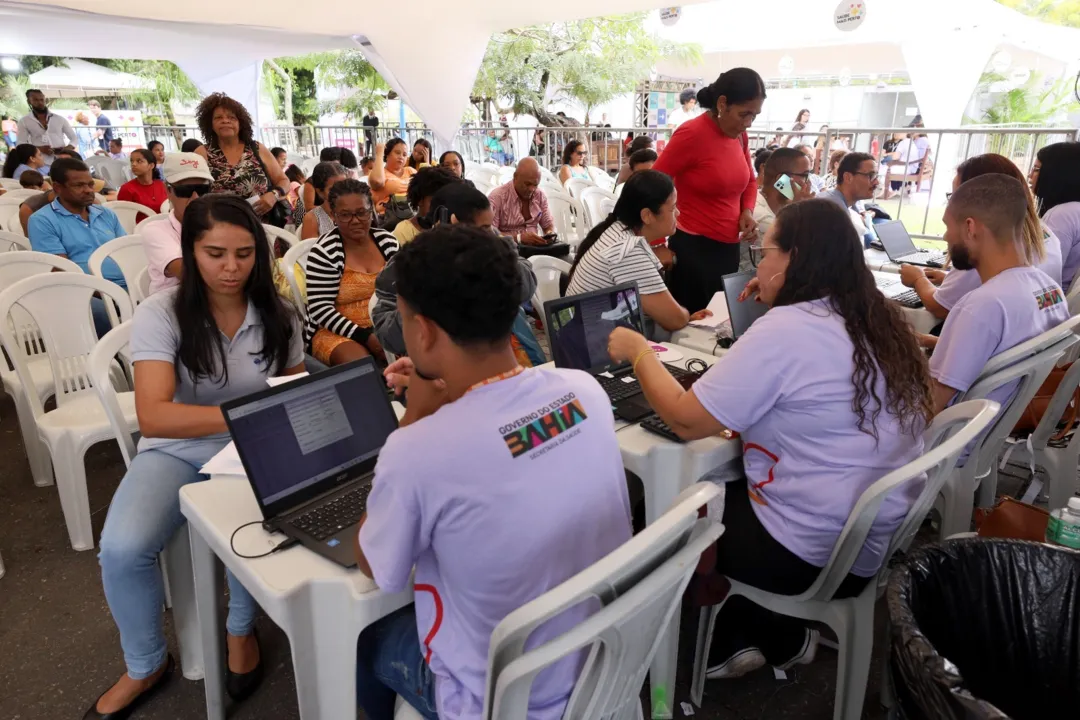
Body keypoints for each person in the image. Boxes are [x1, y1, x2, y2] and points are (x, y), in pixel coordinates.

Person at [606, 198, 932, 679]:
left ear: (794, 258)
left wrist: (638, 351)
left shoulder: (787, 330)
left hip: (807, 553)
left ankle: (732, 637)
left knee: (653, 516)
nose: (761, 261)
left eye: (767, 252)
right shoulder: (870, 314)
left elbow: (684, 420)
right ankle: (762, 630)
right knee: (719, 485)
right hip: (866, 540)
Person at [355, 224, 631, 720]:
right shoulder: (583, 391)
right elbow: (507, 439)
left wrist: (417, 415)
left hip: (501, 701)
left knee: (363, 638)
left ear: (422, 331)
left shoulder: (416, 451)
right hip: (601, 665)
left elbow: (378, 569)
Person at [85, 195, 303, 719]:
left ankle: (239, 627)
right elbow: (157, 416)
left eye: (246, 253)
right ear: (191, 251)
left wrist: (272, 416)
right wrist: (251, 414)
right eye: (215, 253)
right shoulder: (161, 313)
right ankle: (145, 664)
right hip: (176, 450)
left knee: (255, 532)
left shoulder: (280, 313)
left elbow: (290, 390)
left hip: (254, 449)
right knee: (120, 549)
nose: (232, 268)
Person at [925, 174, 1069, 418]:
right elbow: (999, 359)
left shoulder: (981, 306)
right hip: (996, 430)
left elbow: (930, 405)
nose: (945, 237)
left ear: (970, 228)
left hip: (948, 445)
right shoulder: (1049, 289)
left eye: (948, 226)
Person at [373, 182, 538, 359]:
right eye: (482, 229)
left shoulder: (496, 246)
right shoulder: (407, 264)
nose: (490, 234)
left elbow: (527, 285)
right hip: (443, 368)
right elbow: (388, 337)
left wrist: (487, 262)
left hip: (503, 358)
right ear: (446, 225)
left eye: (489, 226)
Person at [653, 67, 765, 312]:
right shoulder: (692, 134)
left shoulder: (740, 137)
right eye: (744, 114)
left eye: (754, 116)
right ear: (723, 103)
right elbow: (651, 187)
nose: (748, 123)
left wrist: (746, 211)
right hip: (694, 249)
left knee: (719, 321)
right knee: (694, 323)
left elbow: (750, 182)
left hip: (729, 247)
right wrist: (658, 242)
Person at [902, 154, 1060, 320]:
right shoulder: (1044, 233)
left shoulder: (985, 245)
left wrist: (917, 278)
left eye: (955, 196)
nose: (945, 237)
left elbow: (941, 307)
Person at [566, 170, 710, 335]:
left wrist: (683, 318)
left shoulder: (618, 230)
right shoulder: (627, 250)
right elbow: (674, 320)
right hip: (592, 348)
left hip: (592, 336)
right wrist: (684, 317)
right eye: (672, 208)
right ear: (647, 215)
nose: (678, 213)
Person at [27, 158, 127, 337]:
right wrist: (111, 293)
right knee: (100, 313)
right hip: (82, 290)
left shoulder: (106, 214)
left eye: (90, 184)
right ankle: (115, 360)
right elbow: (61, 270)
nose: (89, 190)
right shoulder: (42, 220)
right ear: (57, 187)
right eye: (79, 185)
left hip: (125, 284)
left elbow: (126, 252)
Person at [305, 179, 398, 366]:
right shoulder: (325, 251)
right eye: (345, 215)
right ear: (334, 216)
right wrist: (366, 337)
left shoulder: (387, 242)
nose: (355, 221)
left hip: (385, 320)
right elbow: (320, 309)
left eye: (361, 213)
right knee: (361, 367)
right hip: (336, 329)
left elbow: (404, 290)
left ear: (371, 210)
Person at [193, 93, 289, 222]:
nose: (225, 120)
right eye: (218, 117)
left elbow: (283, 180)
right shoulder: (202, 153)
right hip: (219, 226)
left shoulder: (257, 148)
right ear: (210, 124)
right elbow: (192, 193)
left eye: (232, 117)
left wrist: (274, 195)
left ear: (241, 123)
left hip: (262, 225)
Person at [140, 151, 214, 296]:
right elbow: (189, 274)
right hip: (172, 310)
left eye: (202, 190)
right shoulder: (155, 230)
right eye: (185, 191)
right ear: (168, 190)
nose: (195, 198)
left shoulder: (220, 223)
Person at [1031, 142, 1080, 291]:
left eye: (1036, 169)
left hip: (1057, 302)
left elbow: (1042, 273)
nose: (1030, 175)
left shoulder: (1062, 214)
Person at [488, 158, 556, 248]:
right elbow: (489, 235)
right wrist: (518, 238)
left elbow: (548, 225)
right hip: (508, 250)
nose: (532, 189)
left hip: (535, 249)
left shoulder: (539, 195)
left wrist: (549, 234)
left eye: (535, 185)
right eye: (527, 184)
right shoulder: (498, 197)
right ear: (515, 177)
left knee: (567, 258)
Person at [752, 148, 814, 246]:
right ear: (781, 180)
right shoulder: (762, 217)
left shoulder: (782, 205)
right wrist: (801, 212)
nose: (808, 182)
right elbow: (799, 249)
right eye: (804, 175)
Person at [819, 151, 879, 242]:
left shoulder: (836, 202)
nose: (876, 182)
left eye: (876, 176)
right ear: (848, 177)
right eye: (871, 176)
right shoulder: (833, 209)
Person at [394, 166, 461, 245]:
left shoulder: (456, 228)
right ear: (420, 200)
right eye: (437, 202)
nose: (444, 207)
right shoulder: (403, 232)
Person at [16, 89, 78, 163]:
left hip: (61, 160)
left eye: (42, 99)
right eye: (35, 100)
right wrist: (39, 149)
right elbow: (21, 144)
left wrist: (66, 149)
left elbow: (74, 139)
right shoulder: (24, 121)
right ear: (29, 101)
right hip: (39, 162)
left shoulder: (59, 119)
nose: (40, 102)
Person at [300, 161, 349, 240]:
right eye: (333, 189)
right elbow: (310, 250)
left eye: (344, 186)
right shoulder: (313, 219)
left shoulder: (354, 211)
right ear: (320, 192)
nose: (341, 192)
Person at [117, 149, 167, 222]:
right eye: (132, 161)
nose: (133, 164)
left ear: (151, 165)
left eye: (139, 161)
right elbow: (124, 217)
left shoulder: (161, 185)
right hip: (139, 230)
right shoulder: (127, 189)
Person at [368, 138, 416, 214]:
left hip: (413, 214)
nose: (401, 157)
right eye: (397, 153)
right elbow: (377, 181)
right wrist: (380, 153)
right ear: (387, 155)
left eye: (404, 154)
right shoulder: (380, 173)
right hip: (388, 218)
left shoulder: (410, 171)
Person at [884, 134, 926, 198]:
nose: (896, 134)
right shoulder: (911, 142)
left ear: (906, 133)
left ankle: (890, 190)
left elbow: (895, 157)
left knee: (884, 169)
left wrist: (889, 155)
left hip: (906, 168)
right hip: (913, 167)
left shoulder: (903, 143)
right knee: (890, 166)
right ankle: (894, 189)